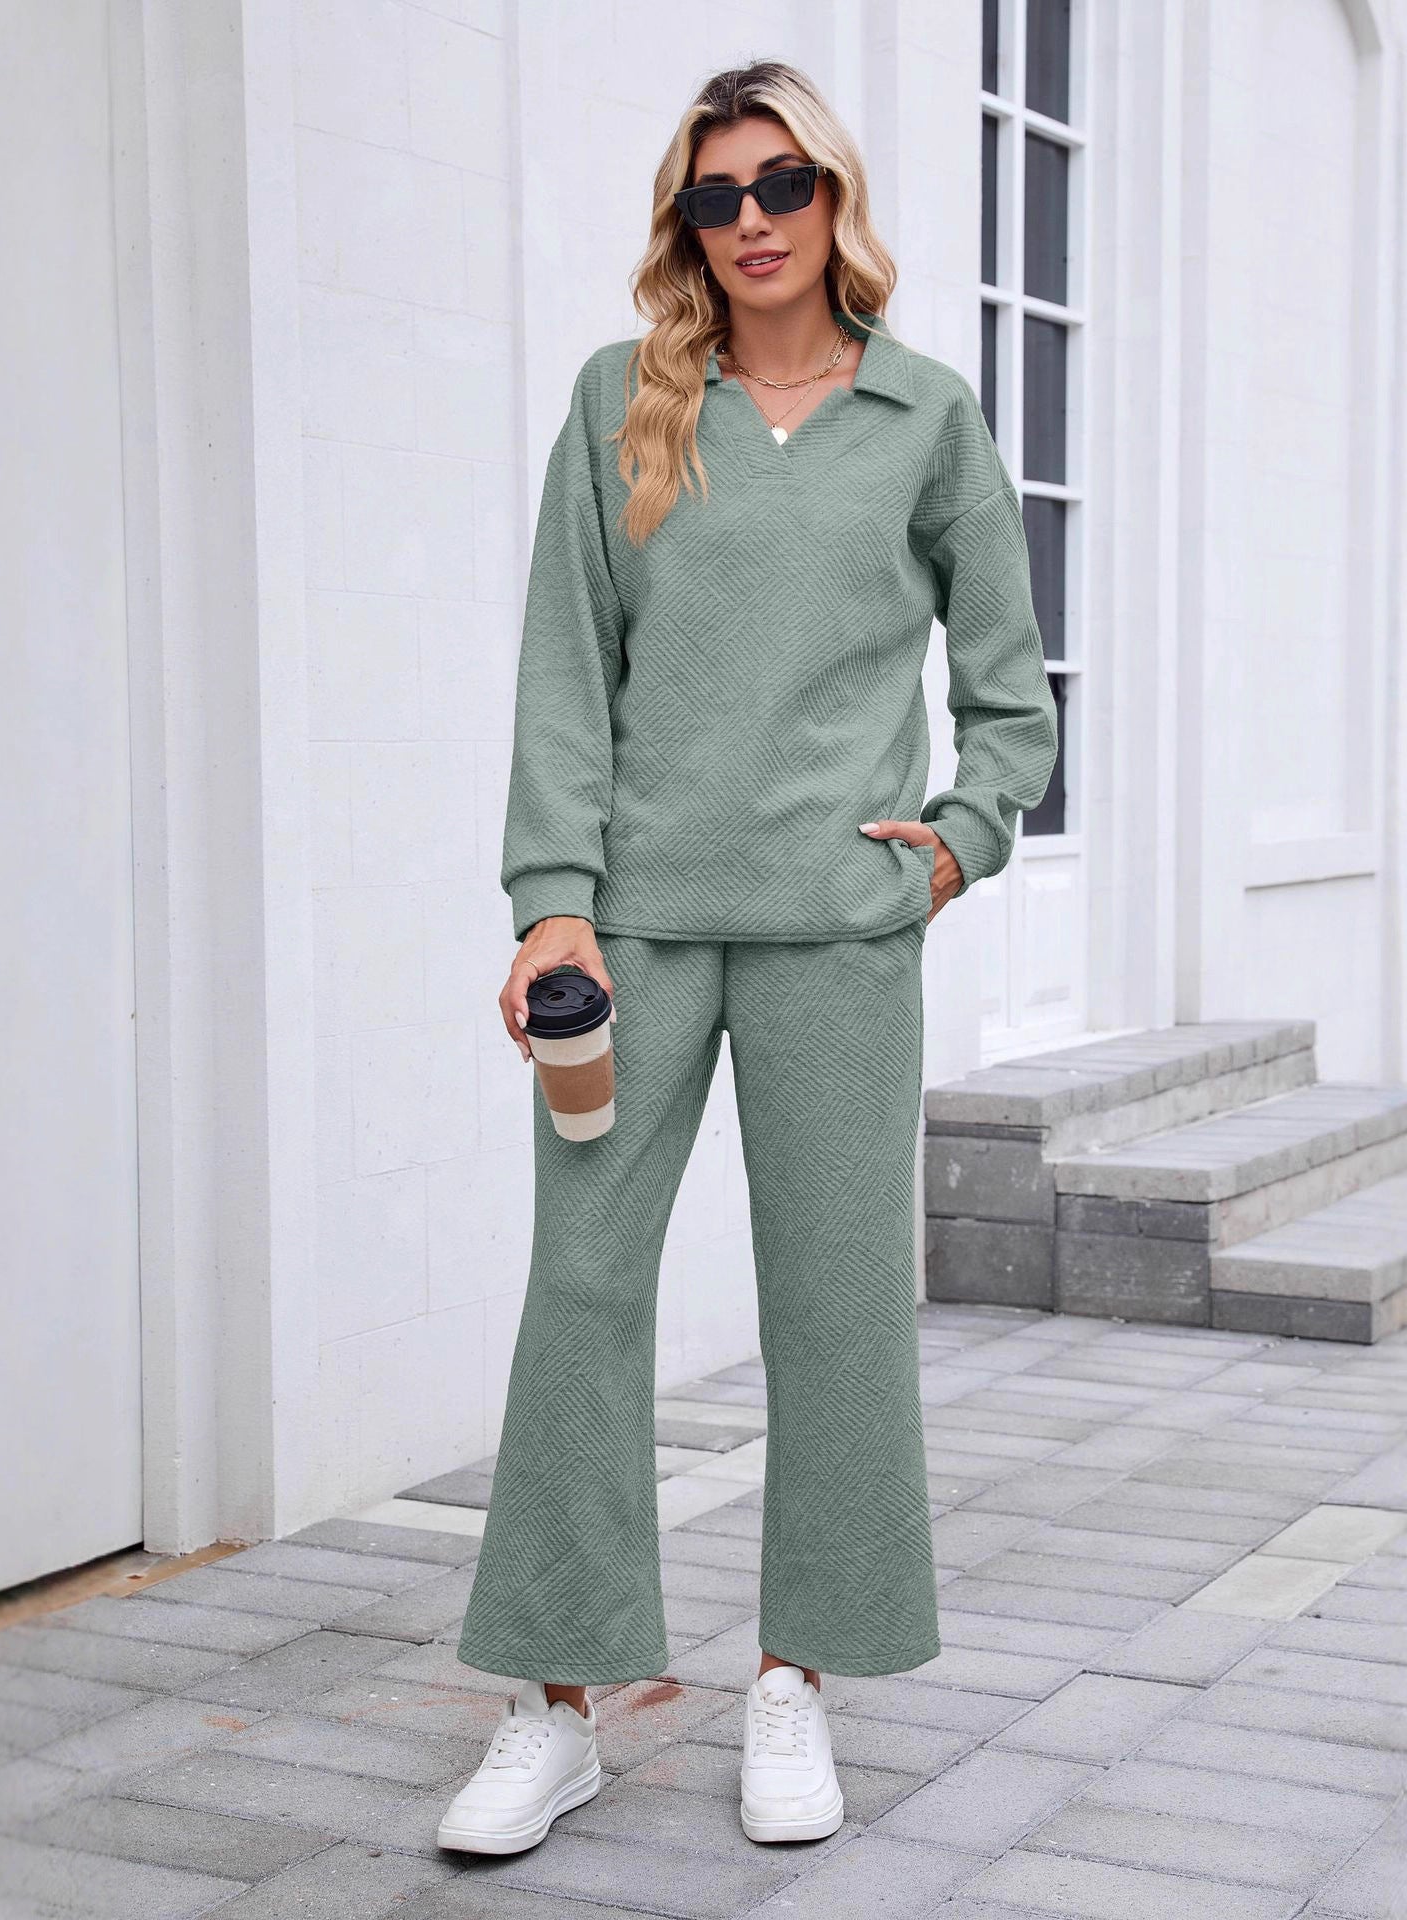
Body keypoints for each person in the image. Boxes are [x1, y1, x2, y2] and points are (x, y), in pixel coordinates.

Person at [436, 58, 1058, 1856]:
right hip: (632, 932)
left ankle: (796, 1679)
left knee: (837, 1308)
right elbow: (567, 667)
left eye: (785, 183)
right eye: (718, 195)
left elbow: (1010, 697)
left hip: (836, 938)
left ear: (834, 197)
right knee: (581, 1294)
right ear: (685, 222)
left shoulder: (927, 420)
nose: (755, 219)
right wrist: (552, 900)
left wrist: (956, 844)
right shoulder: (621, 401)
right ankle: (556, 1705)